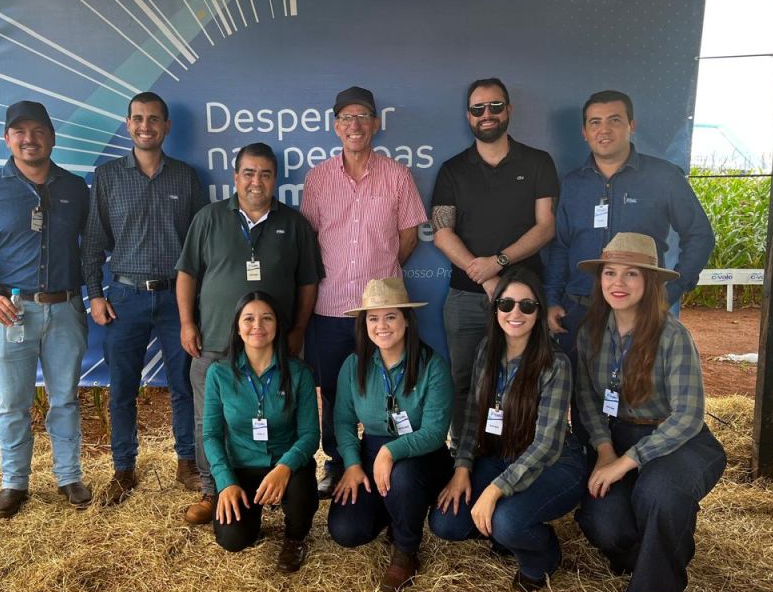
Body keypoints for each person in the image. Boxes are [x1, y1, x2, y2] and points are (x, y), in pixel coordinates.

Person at [572, 232, 727, 592]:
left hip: (677, 441)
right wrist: (604, 450)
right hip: (616, 438)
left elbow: (688, 416)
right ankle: (657, 546)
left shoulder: (673, 336)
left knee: (658, 493)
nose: (618, 283)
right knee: (604, 524)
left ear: (650, 282)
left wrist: (627, 462)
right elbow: (587, 400)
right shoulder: (590, 332)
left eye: (632, 274)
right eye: (610, 273)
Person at [0, 100, 90, 518]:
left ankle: (69, 477)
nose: (30, 139)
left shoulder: (75, 188)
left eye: (38, 131)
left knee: (65, 399)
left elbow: (93, 246)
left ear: (52, 137)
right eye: (20, 132)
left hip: (66, 309)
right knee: (12, 403)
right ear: (7, 138)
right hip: (13, 311)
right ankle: (14, 483)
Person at [176, 142, 322, 525]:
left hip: (274, 347)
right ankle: (213, 491)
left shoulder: (294, 224)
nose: (257, 181)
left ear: (276, 179)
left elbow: (308, 282)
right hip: (213, 343)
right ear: (235, 176)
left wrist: (299, 329)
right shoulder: (208, 218)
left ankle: (278, 484)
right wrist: (187, 323)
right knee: (207, 421)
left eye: (265, 174)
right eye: (249, 173)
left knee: (276, 416)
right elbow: (187, 273)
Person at [82, 91, 209, 505]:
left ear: (166, 126)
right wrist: (95, 295)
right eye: (138, 118)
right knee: (122, 388)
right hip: (124, 297)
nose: (145, 126)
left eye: (154, 119)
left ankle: (187, 463)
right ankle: (123, 469)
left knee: (184, 386)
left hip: (177, 298)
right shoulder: (107, 177)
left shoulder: (186, 177)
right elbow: (93, 242)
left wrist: (198, 305)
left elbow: (202, 245)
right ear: (128, 124)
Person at [302, 86, 428, 499]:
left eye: (362, 117)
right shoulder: (318, 178)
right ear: (335, 126)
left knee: (392, 385)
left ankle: (392, 462)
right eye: (346, 118)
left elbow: (408, 237)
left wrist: (380, 284)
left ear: (375, 124)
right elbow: (310, 239)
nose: (354, 125)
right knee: (333, 391)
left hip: (383, 311)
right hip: (331, 307)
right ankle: (338, 464)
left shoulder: (397, 175)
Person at [429, 268, 587, 590]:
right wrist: (462, 468)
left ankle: (543, 554)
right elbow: (473, 416)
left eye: (527, 306)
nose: (515, 313)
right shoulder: (487, 350)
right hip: (501, 454)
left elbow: (546, 445)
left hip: (554, 462)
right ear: (495, 308)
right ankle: (504, 532)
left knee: (508, 522)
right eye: (506, 304)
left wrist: (494, 490)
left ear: (539, 312)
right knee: (446, 522)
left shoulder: (555, 363)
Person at [431, 77, 559, 452]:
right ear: (468, 115)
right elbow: (441, 232)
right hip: (466, 297)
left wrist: (499, 264)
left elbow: (546, 226)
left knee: (527, 378)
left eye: (495, 106)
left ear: (508, 110)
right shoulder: (453, 169)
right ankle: (463, 455)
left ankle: (522, 452)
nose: (487, 114)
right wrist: (485, 276)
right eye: (478, 108)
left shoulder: (538, 162)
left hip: (524, 299)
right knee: (463, 380)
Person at [544, 90, 714, 360]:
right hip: (579, 312)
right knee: (580, 388)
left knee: (638, 385)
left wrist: (671, 291)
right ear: (584, 132)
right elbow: (562, 246)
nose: (604, 130)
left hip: (640, 312)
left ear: (631, 126)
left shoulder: (663, 177)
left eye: (614, 120)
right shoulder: (573, 184)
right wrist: (552, 299)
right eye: (595, 122)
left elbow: (700, 235)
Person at [327, 278, 453, 592]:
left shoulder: (432, 365)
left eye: (391, 316)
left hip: (422, 454)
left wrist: (390, 452)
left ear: (407, 320)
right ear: (364, 324)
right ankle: (395, 511)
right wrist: (352, 464)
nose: (381, 326)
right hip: (370, 451)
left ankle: (406, 550)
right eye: (373, 318)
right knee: (346, 531)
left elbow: (435, 432)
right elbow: (342, 421)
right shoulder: (353, 365)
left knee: (403, 478)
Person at [203, 292, 320, 572]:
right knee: (233, 539)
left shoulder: (299, 373)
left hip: (286, 464)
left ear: (278, 325)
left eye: (267, 318)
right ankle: (252, 516)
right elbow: (211, 435)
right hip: (241, 466)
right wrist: (225, 481)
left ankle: (294, 539)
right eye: (249, 319)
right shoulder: (219, 373)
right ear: (237, 327)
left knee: (302, 495)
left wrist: (284, 467)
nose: (258, 325)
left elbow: (309, 435)